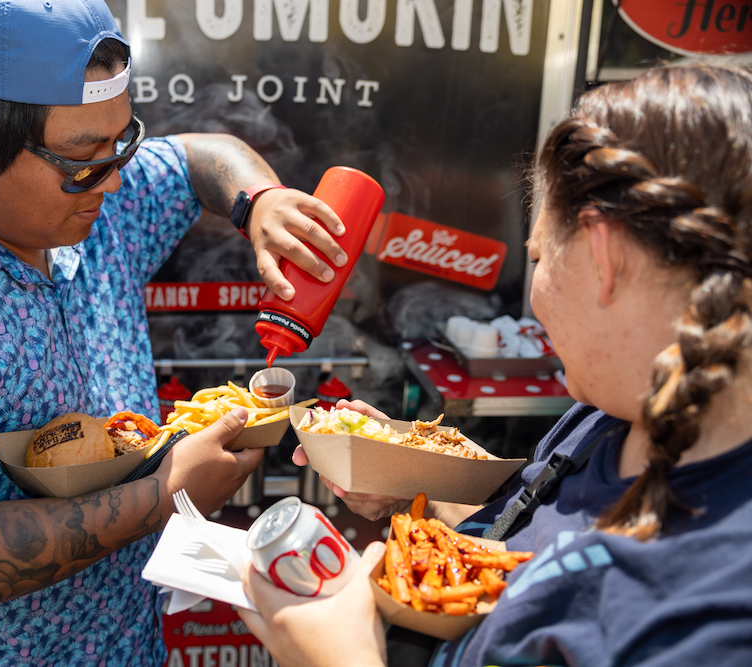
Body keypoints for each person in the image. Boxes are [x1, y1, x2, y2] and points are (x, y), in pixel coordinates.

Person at [0, 1, 353, 665]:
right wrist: (161, 495)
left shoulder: (87, 199)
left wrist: (259, 200)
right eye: (84, 157)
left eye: (122, 142)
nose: (114, 179)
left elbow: (202, 157)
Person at [238, 62, 752, 666]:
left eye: (537, 257)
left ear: (603, 255)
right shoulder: (612, 413)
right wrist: (407, 483)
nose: (533, 298)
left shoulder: (716, 618)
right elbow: (527, 532)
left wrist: (338, 657)